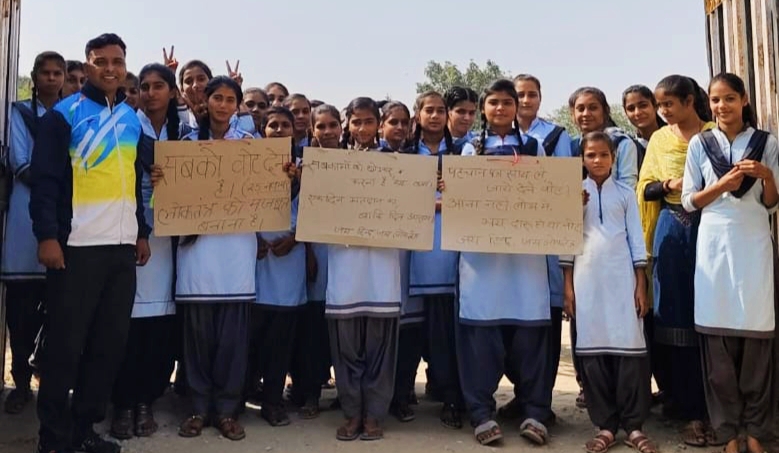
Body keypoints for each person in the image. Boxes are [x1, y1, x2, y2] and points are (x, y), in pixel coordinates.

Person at [30, 33, 151, 453]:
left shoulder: (132, 120)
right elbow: (45, 183)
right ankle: (52, 438)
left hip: (121, 250)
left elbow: (136, 180)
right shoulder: (63, 116)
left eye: (117, 61)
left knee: (107, 346)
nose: (110, 69)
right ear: (87, 66)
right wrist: (48, 236)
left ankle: (83, 430)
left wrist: (140, 232)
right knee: (65, 348)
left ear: (125, 66)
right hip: (75, 250)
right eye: (101, 61)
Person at [681, 72, 779, 453]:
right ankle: (728, 433)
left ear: (744, 100)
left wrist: (766, 176)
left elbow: (771, 203)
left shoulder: (766, 143)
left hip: (753, 244)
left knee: (757, 339)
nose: (722, 106)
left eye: (729, 98)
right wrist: (721, 186)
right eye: (715, 100)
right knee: (717, 344)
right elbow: (689, 201)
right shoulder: (701, 144)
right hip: (714, 248)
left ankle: (757, 432)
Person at [457, 79, 552, 447]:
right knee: (481, 338)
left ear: (517, 107)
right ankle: (481, 413)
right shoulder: (470, 150)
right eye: (493, 102)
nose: (500, 108)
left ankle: (535, 411)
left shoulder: (534, 147)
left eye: (507, 102)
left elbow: (548, 192)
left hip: (525, 262)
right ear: (484, 108)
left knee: (530, 338)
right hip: (482, 263)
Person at [562, 131, 655, 453]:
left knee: (630, 350)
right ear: (582, 159)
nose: (598, 160)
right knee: (593, 353)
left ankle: (634, 426)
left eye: (604, 155)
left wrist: (641, 284)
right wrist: (568, 288)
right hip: (587, 282)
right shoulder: (574, 194)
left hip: (622, 281)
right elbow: (565, 242)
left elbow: (636, 240)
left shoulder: (626, 194)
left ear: (614, 158)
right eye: (591, 155)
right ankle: (605, 426)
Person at [637, 75, 714, 447]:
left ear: (689, 101)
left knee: (711, 313)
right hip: (671, 230)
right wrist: (669, 185)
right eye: (660, 105)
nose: (663, 111)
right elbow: (645, 187)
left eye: (669, 104)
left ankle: (713, 405)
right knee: (673, 314)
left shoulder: (715, 136)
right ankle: (684, 406)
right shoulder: (659, 140)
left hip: (712, 227)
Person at [109, 63, 183, 441]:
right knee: (125, 323)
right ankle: (123, 402)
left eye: (159, 86)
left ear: (172, 92)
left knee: (159, 326)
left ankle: (146, 400)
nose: (151, 93)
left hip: (171, 240)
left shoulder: (187, 134)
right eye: (145, 86)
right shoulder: (124, 127)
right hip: (127, 233)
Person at [327, 97, 401, 441]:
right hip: (345, 267)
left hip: (383, 269)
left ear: (379, 124)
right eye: (355, 121)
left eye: (369, 121)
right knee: (346, 349)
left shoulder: (399, 165)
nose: (362, 128)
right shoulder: (331, 165)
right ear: (347, 124)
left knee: (380, 348)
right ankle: (352, 412)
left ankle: (374, 415)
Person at [501, 74, 572, 426]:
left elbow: (562, 185)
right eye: (520, 95)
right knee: (510, 327)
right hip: (505, 246)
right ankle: (521, 395)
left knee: (543, 328)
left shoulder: (556, 136)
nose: (526, 100)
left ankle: (539, 402)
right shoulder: (489, 139)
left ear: (541, 98)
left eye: (532, 94)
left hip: (544, 246)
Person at [1, 50, 65, 416]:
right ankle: (21, 384)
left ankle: (52, 385)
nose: (52, 78)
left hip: (65, 224)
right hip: (26, 226)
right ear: (35, 76)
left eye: (58, 73)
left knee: (60, 318)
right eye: (46, 72)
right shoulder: (19, 114)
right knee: (21, 316)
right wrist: (61, 183)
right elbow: (21, 163)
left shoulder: (72, 113)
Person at [404, 91, 464, 429]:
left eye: (441, 110)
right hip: (408, 256)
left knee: (445, 335)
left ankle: (452, 398)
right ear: (418, 114)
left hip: (446, 258)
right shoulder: (403, 155)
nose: (436, 116)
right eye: (429, 110)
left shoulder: (463, 154)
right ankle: (400, 395)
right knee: (409, 332)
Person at [251, 106, 306, 427]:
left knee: (280, 341)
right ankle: (243, 395)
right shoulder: (248, 165)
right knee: (251, 338)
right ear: (262, 130)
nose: (279, 129)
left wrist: (296, 238)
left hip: (290, 261)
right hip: (256, 260)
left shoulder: (307, 168)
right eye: (273, 125)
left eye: (286, 124)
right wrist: (253, 239)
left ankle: (273, 401)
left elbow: (320, 211)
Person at [290, 104, 342, 419]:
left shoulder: (357, 165)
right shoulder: (303, 165)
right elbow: (301, 212)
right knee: (313, 331)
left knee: (342, 330)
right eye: (321, 126)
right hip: (316, 255)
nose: (328, 131)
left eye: (333, 125)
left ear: (341, 127)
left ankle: (345, 393)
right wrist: (308, 252)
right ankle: (310, 393)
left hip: (345, 258)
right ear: (312, 130)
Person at [569, 87, 639, 188]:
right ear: (572, 114)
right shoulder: (571, 146)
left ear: (605, 111)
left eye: (593, 108)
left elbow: (628, 186)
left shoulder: (622, 143)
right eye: (580, 109)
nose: (586, 114)